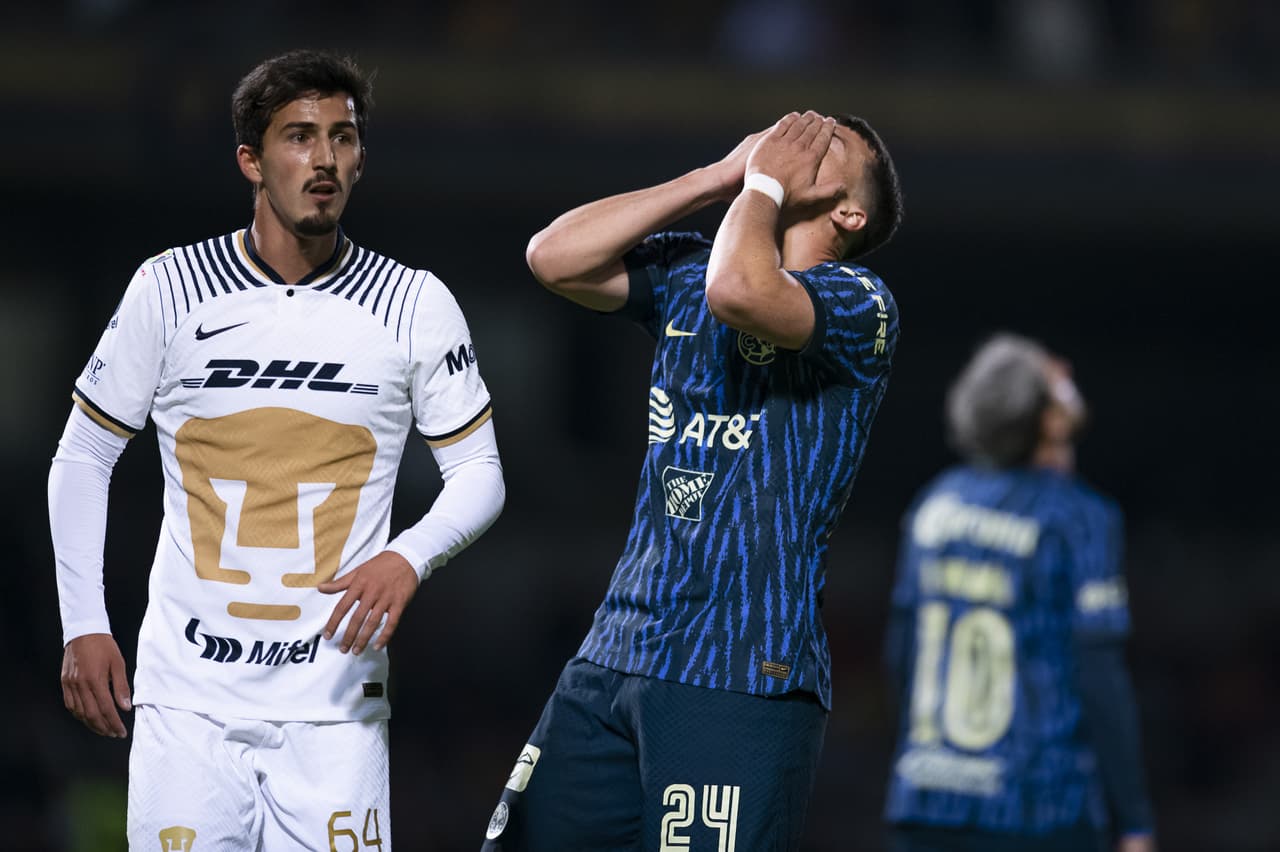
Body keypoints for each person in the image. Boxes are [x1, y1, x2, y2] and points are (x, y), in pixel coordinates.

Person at [49, 49, 505, 850]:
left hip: (336, 707)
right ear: (251, 161)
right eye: (299, 136)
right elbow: (85, 453)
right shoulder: (169, 288)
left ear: (361, 158)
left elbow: (479, 474)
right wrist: (82, 622)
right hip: (187, 699)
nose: (324, 158)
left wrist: (409, 558)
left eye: (342, 137)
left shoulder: (413, 304)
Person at [481, 111, 904, 851]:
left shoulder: (859, 302)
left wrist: (765, 182)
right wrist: (718, 177)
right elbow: (554, 257)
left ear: (849, 211)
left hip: (741, 667)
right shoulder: (690, 267)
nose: (802, 132)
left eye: (831, 144)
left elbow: (741, 292)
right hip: (617, 646)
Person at [882, 334, 1156, 852]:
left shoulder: (934, 504)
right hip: (1039, 809)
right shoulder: (1078, 517)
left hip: (927, 800)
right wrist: (1135, 818)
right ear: (1047, 419)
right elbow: (1100, 676)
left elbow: (901, 654)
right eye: (1053, 380)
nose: (1065, 372)